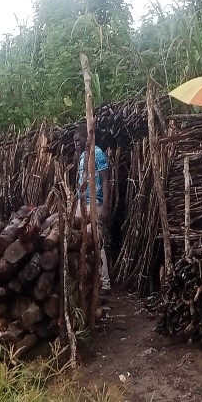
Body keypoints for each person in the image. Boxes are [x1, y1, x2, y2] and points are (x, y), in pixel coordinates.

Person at [73, 124, 112, 293]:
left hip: (95, 205)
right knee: (80, 241)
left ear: (86, 138)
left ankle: (105, 283)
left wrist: (104, 206)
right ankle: (87, 280)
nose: (75, 143)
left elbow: (105, 181)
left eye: (78, 140)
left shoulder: (98, 154)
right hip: (82, 204)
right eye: (74, 141)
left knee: (96, 242)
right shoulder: (82, 156)